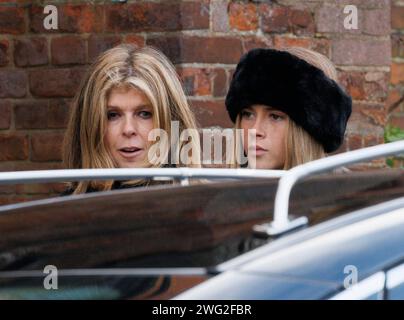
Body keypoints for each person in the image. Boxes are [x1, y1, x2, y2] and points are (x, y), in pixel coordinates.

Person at [62, 44, 201, 195]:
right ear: (90, 125)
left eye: (144, 114)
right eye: (112, 115)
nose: (128, 129)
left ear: (172, 121)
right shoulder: (66, 212)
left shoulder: (204, 207)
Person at [225, 47, 352, 170]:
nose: (255, 130)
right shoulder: (218, 190)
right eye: (248, 114)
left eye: (275, 116)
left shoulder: (347, 191)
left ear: (311, 131)